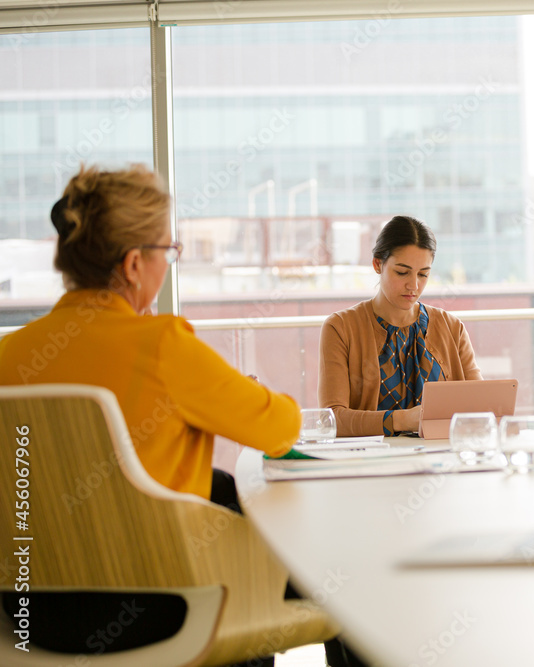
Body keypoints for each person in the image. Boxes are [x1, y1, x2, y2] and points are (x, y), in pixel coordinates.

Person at [0, 164, 313, 664]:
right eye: (168, 251)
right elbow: (281, 429)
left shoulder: (9, 355)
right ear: (132, 264)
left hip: (27, 616)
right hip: (165, 608)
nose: (169, 263)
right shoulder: (164, 347)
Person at [319, 215, 482, 436]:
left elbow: (482, 406)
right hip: (372, 464)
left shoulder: (452, 328)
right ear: (378, 264)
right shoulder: (340, 328)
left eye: (423, 274)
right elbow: (333, 419)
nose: (413, 285)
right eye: (402, 272)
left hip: (440, 461)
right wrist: (402, 420)